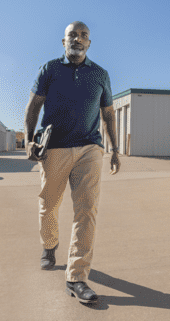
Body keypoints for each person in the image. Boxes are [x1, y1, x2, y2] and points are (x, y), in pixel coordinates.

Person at [24, 21, 120, 304]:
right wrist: (29, 139)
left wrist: (114, 149)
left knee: (86, 210)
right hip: (55, 148)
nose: (78, 39)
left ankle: (77, 277)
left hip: (90, 148)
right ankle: (50, 245)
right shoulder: (49, 70)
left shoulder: (100, 74)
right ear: (63, 41)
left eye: (84, 36)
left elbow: (109, 114)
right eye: (73, 35)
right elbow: (33, 106)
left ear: (89, 43)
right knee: (49, 204)